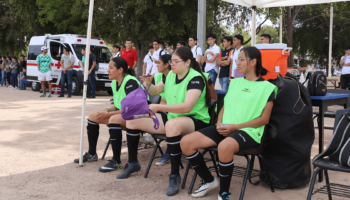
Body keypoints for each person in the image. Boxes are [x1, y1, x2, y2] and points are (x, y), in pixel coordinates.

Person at [181, 47, 277, 200]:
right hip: (225, 128)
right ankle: (209, 180)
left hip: (249, 131)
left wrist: (234, 127)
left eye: (241, 59)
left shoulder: (268, 87)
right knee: (186, 142)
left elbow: (264, 120)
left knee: (224, 147)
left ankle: (224, 193)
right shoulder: (235, 83)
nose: (236, 62)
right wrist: (219, 122)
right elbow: (224, 108)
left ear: (253, 62)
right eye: (237, 59)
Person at [123, 47, 211, 196]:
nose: (173, 64)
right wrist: (148, 83)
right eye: (171, 61)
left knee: (172, 125)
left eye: (176, 61)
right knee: (131, 121)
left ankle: (174, 175)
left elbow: (187, 107)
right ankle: (132, 163)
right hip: (174, 118)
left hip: (196, 120)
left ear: (188, 62)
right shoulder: (170, 75)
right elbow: (155, 91)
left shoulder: (196, 78)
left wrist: (158, 106)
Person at [73, 57, 140, 172]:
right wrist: (107, 110)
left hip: (139, 117)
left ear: (120, 70)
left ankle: (116, 161)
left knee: (113, 119)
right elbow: (119, 105)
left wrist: (109, 114)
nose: (107, 70)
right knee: (93, 116)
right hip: (125, 115)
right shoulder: (114, 83)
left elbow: (132, 109)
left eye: (110, 68)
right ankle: (92, 154)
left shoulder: (130, 82)